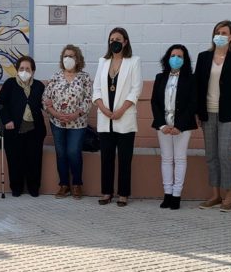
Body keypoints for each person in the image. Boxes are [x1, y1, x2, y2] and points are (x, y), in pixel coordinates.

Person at [194, 20, 231, 212]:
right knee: (211, 155)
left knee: (225, 153)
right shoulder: (203, 57)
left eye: (224, 32)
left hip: (228, 115)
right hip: (207, 113)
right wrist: (197, 112)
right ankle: (215, 194)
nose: (220, 35)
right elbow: (197, 86)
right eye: (217, 32)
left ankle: (229, 194)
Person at [92, 28, 142, 207]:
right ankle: (106, 192)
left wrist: (121, 110)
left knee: (124, 158)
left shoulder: (133, 61)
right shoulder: (103, 61)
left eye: (118, 39)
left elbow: (136, 89)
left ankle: (123, 194)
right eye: (111, 39)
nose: (114, 42)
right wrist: (103, 108)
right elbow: (96, 88)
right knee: (106, 157)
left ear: (125, 42)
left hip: (125, 117)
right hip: (105, 117)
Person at [43, 44, 93, 199]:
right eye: (65, 56)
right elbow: (46, 99)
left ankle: (77, 184)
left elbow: (89, 99)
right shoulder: (55, 77)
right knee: (61, 154)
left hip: (77, 123)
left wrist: (75, 114)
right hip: (57, 122)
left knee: (73, 152)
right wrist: (56, 114)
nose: (68, 59)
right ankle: (64, 185)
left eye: (71, 56)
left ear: (77, 59)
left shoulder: (84, 78)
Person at [151, 44, 197, 210]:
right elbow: (154, 102)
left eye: (179, 56)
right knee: (166, 158)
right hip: (163, 125)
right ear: (167, 58)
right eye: (172, 55)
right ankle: (167, 194)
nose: (175, 59)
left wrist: (179, 125)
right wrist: (162, 124)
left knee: (179, 158)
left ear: (184, 60)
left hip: (182, 127)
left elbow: (193, 104)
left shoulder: (191, 79)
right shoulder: (160, 77)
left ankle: (177, 195)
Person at [0, 56, 46, 197]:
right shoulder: (10, 84)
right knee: (15, 159)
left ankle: (33, 188)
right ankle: (16, 188)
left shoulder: (39, 86)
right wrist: (7, 120)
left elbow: (44, 104)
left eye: (28, 69)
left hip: (35, 130)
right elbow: (1, 103)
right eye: (21, 69)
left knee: (34, 160)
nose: (24, 71)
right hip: (13, 129)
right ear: (17, 70)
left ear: (33, 71)